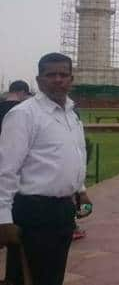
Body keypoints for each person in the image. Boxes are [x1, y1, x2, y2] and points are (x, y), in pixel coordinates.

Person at [0, 52, 93, 285]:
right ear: (39, 80)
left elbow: (74, 155)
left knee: (53, 274)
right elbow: (6, 170)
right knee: (27, 276)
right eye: (51, 74)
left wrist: (80, 190)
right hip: (33, 212)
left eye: (63, 74)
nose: (58, 79)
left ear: (72, 79)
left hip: (63, 210)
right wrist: (3, 219)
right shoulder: (24, 115)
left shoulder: (71, 114)